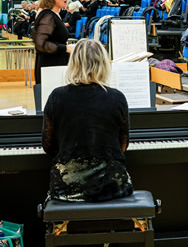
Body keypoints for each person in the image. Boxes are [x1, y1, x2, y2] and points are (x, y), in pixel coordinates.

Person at [42, 39, 133, 202]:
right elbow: (122, 146)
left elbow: (48, 147)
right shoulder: (117, 98)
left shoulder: (57, 96)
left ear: (74, 63)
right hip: (113, 187)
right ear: (103, 64)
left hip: (66, 189)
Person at [33, 0, 74, 84]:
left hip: (56, 66)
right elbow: (41, 44)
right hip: (50, 68)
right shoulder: (47, 15)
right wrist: (66, 48)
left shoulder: (55, 13)